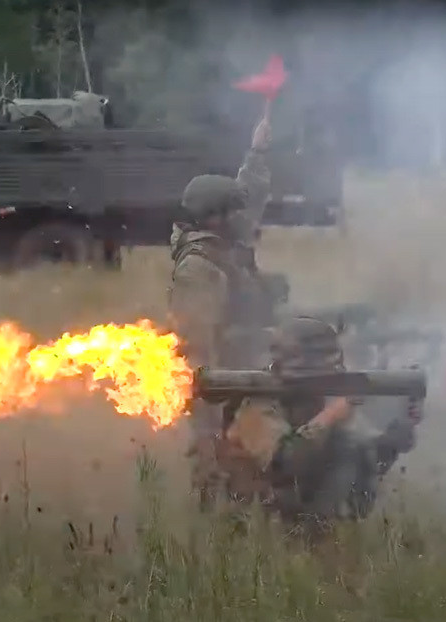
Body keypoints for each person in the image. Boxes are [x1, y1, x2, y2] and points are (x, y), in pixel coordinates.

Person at [167, 110, 285, 508]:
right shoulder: (200, 267)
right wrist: (211, 409)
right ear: (215, 216)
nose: (243, 215)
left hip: (246, 371)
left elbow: (249, 196)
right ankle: (217, 527)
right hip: (221, 385)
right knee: (218, 460)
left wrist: (258, 151)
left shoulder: (225, 244)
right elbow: (197, 344)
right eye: (233, 211)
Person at [220, 316, 416, 526]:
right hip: (259, 519)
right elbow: (285, 464)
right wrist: (331, 416)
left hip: (301, 510)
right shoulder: (257, 403)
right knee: (343, 446)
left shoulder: (318, 396)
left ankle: (331, 534)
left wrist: (391, 442)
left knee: (351, 448)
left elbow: (363, 451)